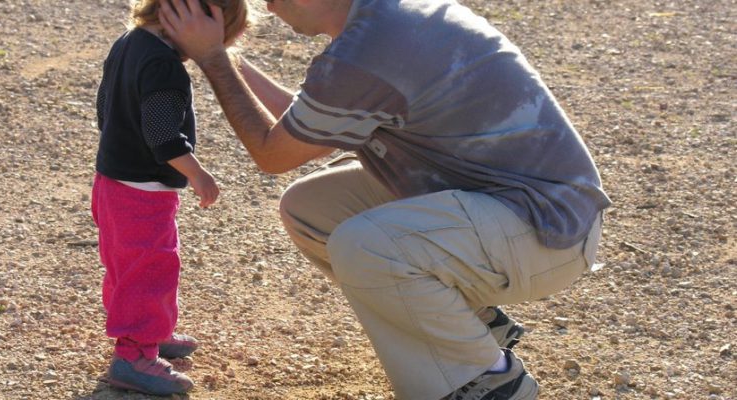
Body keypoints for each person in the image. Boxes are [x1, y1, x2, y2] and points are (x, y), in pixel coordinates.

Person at [158, 0, 610, 398]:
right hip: (512, 206)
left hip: (544, 232)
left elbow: (272, 153)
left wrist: (213, 59)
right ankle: (470, 325)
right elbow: (309, 121)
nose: (271, 9)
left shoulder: (368, 51)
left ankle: (489, 381)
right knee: (312, 209)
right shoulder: (385, 16)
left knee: (367, 243)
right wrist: (222, 56)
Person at [90, 0, 248, 395]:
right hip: (143, 191)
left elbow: (104, 104)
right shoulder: (164, 66)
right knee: (150, 269)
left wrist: (116, 144)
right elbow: (163, 135)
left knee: (125, 264)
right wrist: (198, 174)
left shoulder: (130, 41)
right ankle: (133, 356)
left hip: (111, 181)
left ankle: (146, 332)